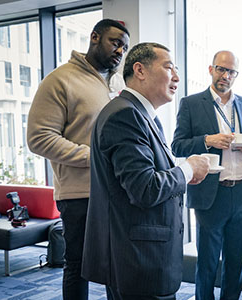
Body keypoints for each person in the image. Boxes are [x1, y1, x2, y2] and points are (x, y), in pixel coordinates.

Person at [81, 42, 209, 299]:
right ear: (140, 70)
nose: (177, 77)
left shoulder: (140, 114)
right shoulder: (125, 115)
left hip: (141, 255)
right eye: (169, 67)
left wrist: (183, 173)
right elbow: (145, 188)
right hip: (137, 259)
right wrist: (187, 169)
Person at [26, 19, 130, 300]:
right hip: (79, 194)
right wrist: (93, 157)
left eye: (124, 47)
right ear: (94, 37)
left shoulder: (116, 84)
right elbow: (39, 138)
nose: (120, 51)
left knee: (116, 264)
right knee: (78, 265)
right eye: (115, 42)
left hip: (116, 191)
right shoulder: (60, 80)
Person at [171, 50, 242, 300]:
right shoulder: (191, 103)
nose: (226, 75)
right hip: (211, 195)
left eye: (231, 71)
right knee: (208, 264)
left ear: (236, 75)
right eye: (221, 69)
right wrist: (208, 140)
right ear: (211, 69)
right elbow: (177, 146)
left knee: (236, 264)